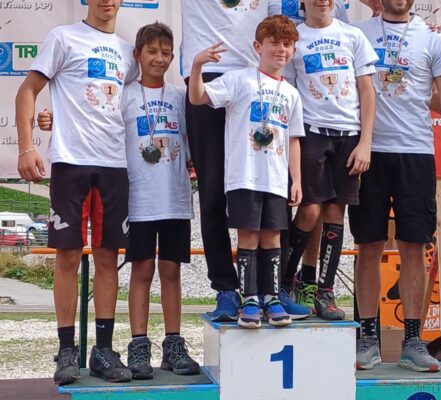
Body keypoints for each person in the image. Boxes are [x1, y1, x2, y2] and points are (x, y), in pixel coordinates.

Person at [15, 0, 137, 384]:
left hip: (114, 164)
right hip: (71, 162)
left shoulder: (128, 52)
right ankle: (66, 349)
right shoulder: (63, 37)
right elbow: (27, 91)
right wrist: (26, 147)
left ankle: (103, 350)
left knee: (107, 257)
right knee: (67, 256)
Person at [350, 0, 441, 371]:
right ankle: (367, 338)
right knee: (368, 245)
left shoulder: (432, 38)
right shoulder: (359, 33)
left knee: (414, 247)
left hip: (415, 152)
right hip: (369, 150)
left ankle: (413, 340)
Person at [181, 0, 310, 321]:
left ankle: (272, 289)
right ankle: (227, 288)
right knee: (214, 191)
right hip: (212, 71)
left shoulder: (284, 78)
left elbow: (295, 14)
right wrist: (196, 67)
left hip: (261, 75)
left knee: (273, 189)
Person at [283, 0, 378, 321]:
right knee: (310, 209)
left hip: (349, 135)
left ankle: (324, 290)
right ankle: (286, 279)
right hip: (311, 132)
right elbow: (289, 92)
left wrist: (365, 142)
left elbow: (367, 92)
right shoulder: (295, 39)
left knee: (336, 211)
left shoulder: (352, 36)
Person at [121, 22, 199, 380]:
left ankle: (173, 345)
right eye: (152, 51)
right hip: (139, 199)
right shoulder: (125, 95)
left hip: (174, 197)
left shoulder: (180, 95)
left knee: (171, 271)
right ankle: (138, 344)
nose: (159, 58)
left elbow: (195, 138)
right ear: (137, 55)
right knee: (142, 271)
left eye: (166, 53)